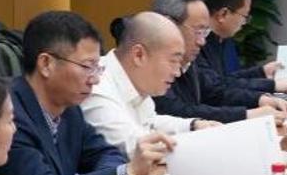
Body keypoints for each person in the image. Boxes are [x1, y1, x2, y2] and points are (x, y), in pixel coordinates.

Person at [0, 10, 173, 175]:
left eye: (97, 67)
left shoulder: (69, 109)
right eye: (87, 66)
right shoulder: (8, 114)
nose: (95, 79)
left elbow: (106, 153)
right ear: (46, 64)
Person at [84, 11, 219, 157]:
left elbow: (150, 122)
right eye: (173, 61)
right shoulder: (96, 87)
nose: (177, 73)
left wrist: (193, 126)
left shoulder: (134, 82)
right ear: (139, 55)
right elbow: (136, 148)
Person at [150, 0, 277, 123]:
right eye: (198, 31)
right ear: (169, 25)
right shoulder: (149, 64)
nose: (202, 41)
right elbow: (177, 111)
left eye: (205, 32)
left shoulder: (189, 58)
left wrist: (259, 99)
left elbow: (214, 92)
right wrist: (247, 115)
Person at [189, 0, 287, 118]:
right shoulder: (195, 44)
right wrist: (263, 96)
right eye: (245, 16)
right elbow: (214, 91)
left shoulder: (219, 39)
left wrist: (261, 73)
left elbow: (223, 80)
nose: (244, 23)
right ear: (223, 14)